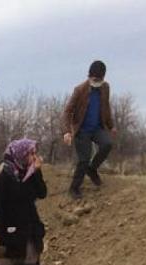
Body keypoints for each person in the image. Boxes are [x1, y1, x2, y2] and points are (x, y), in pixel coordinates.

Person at [63, 60, 116, 199]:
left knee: (107, 144)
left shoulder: (105, 88)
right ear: (89, 76)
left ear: (103, 78)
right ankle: (74, 188)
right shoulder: (80, 90)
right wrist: (67, 131)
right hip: (82, 129)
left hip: (97, 127)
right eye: (94, 78)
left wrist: (111, 126)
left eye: (99, 79)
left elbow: (106, 108)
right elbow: (68, 111)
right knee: (84, 159)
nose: (96, 81)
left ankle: (92, 170)